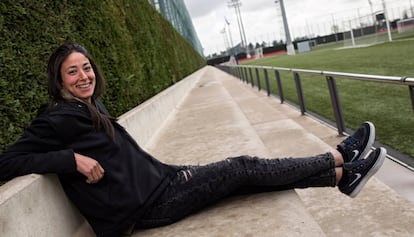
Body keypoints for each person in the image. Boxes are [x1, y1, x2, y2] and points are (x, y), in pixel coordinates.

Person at [0, 43, 387, 237]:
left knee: (244, 175)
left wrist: (175, 171)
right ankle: (337, 158)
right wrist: (71, 160)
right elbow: (6, 161)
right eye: (73, 72)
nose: (83, 76)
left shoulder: (89, 107)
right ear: (59, 80)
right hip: (148, 209)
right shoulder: (56, 118)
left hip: (162, 185)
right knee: (243, 167)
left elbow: (131, 162)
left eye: (86, 68)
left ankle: (340, 175)